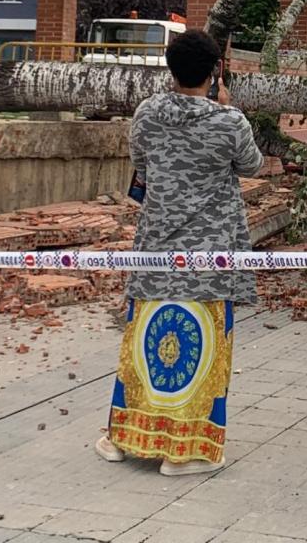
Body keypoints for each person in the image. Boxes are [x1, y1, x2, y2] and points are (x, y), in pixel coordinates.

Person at [97, 30, 263, 476]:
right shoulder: (229, 122)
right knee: (204, 351)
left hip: (156, 249)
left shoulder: (147, 114)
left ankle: (124, 438)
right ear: (214, 73)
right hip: (211, 259)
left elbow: (143, 167)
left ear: (170, 69)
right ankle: (184, 451)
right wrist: (226, 108)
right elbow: (253, 165)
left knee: (144, 346)